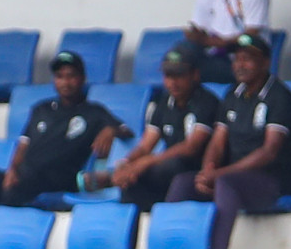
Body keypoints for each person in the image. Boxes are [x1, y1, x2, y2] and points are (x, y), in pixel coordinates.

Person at [167, 33, 291, 249]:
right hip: (234, 177)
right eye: (237, 59)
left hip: (273, 181)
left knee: (225, 183)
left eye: (248, 59)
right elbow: (218, 141)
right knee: (182, 183)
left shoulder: (280, 97)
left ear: (265, 62)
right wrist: (208, 169)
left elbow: (269, 151)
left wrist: (219, 174)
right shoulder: (233, 94)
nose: (240, 64)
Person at [0, 52, 131, 223]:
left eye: (71, 76)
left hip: (59, 177)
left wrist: (110, 129)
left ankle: (12, 243)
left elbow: (126, 130)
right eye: (60, 76)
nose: (65, 82)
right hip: (25, 174)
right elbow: (24, 145)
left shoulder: (94, 111)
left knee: (11, 197)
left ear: (82, 78)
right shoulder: (41, 109)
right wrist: (12, 170)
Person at [84, 45, 220, 209]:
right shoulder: (163, 103)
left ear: (195, 75)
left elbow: (192, 147)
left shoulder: (206, 101)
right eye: (168, 76)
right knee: (131, 180)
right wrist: (127, 163)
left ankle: (109, 179)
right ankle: (131, 227)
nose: (173, 82)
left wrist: (146, 162)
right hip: (167, 168)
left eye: (179, 75)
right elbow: (145, 146)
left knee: (164, 167)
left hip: (196, 170)